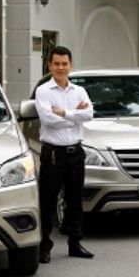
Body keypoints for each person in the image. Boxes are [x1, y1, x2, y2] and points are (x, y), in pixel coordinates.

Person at [34, 46, 95, 263]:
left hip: (76, 153)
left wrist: (65, 112)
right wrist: (75, 115)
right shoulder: (43, 91)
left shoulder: (78, 90)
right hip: (53, 154)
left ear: (70, 65)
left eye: (64, 64)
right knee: (48, 201)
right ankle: (44, 246)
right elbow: (48, 120)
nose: (61, 68)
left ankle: (75, 243)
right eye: (56, 64)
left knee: (75, 200)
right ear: (49, 65)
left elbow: (89, 114)